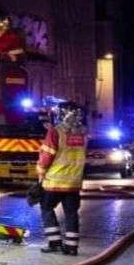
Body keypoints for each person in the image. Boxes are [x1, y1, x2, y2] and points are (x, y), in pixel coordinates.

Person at [36, 100, 87, 255]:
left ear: (61, 114)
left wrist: (40, 170)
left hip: (55, 181)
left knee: (46, 208)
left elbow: (47, 155)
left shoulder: (56, 131)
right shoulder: (83, 133)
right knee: (71, 213)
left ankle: (54, 243)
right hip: (74, 182)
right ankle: (72, 247)